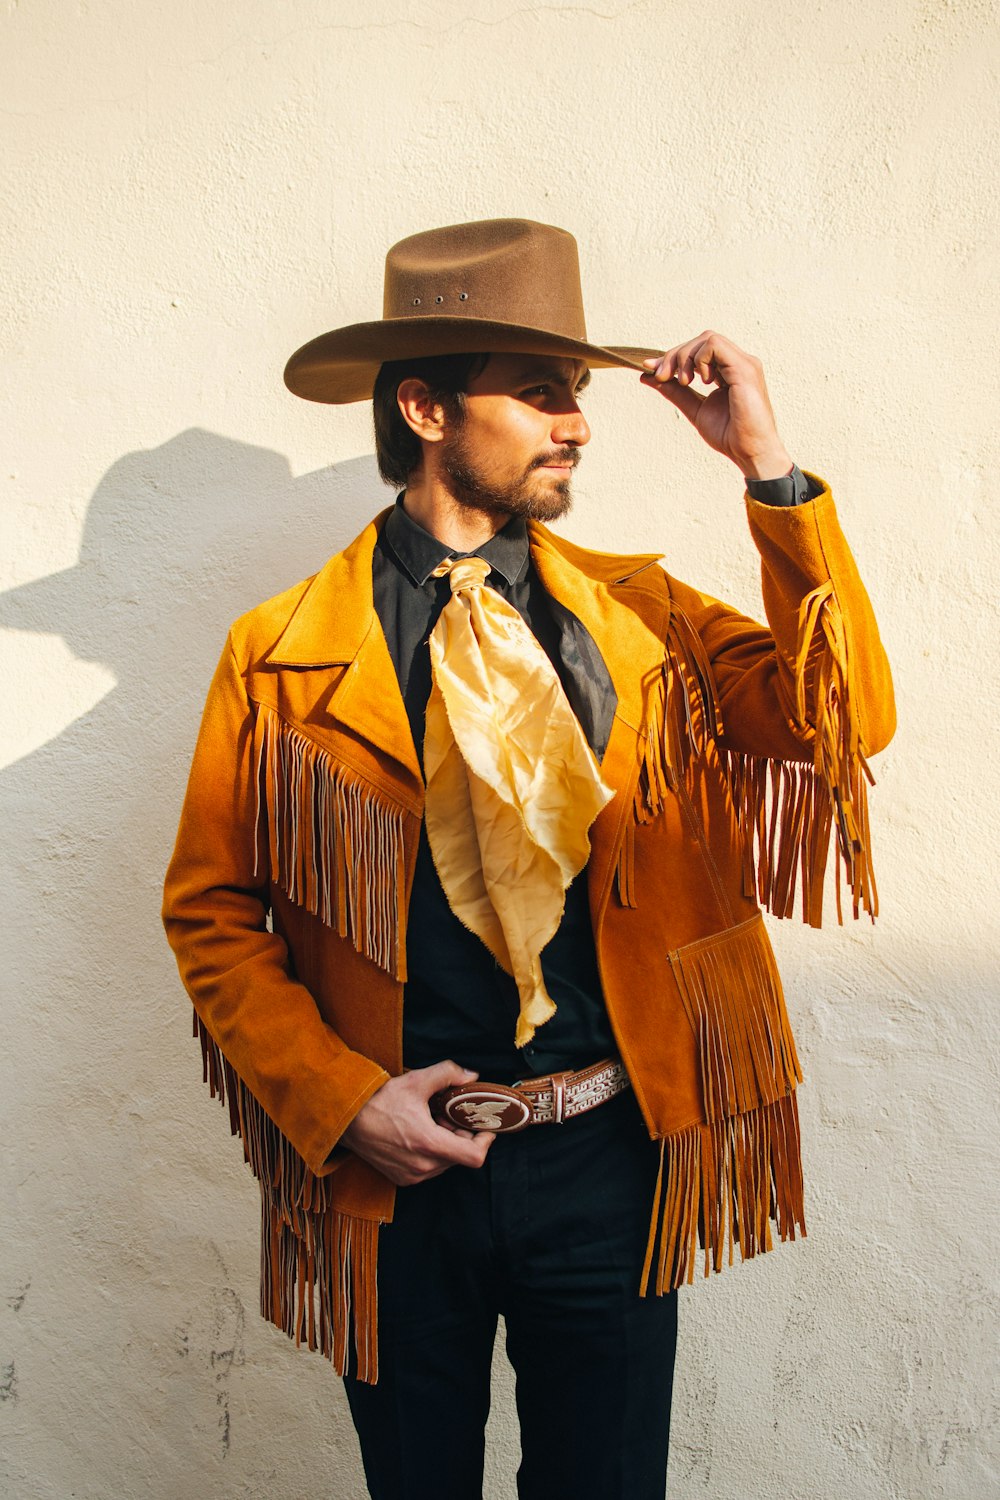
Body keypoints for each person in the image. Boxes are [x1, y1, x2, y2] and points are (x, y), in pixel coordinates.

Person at [162, 217, 894, 1499]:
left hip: (605, 1161)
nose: (579, 423)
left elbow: (844, 718)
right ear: (427, 406)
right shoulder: (278, 653)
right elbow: (212, 914)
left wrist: (767, 465)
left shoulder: (645, 618)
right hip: (393, 1176)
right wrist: (341, 1104)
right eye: (542, 390)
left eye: (578, 394)